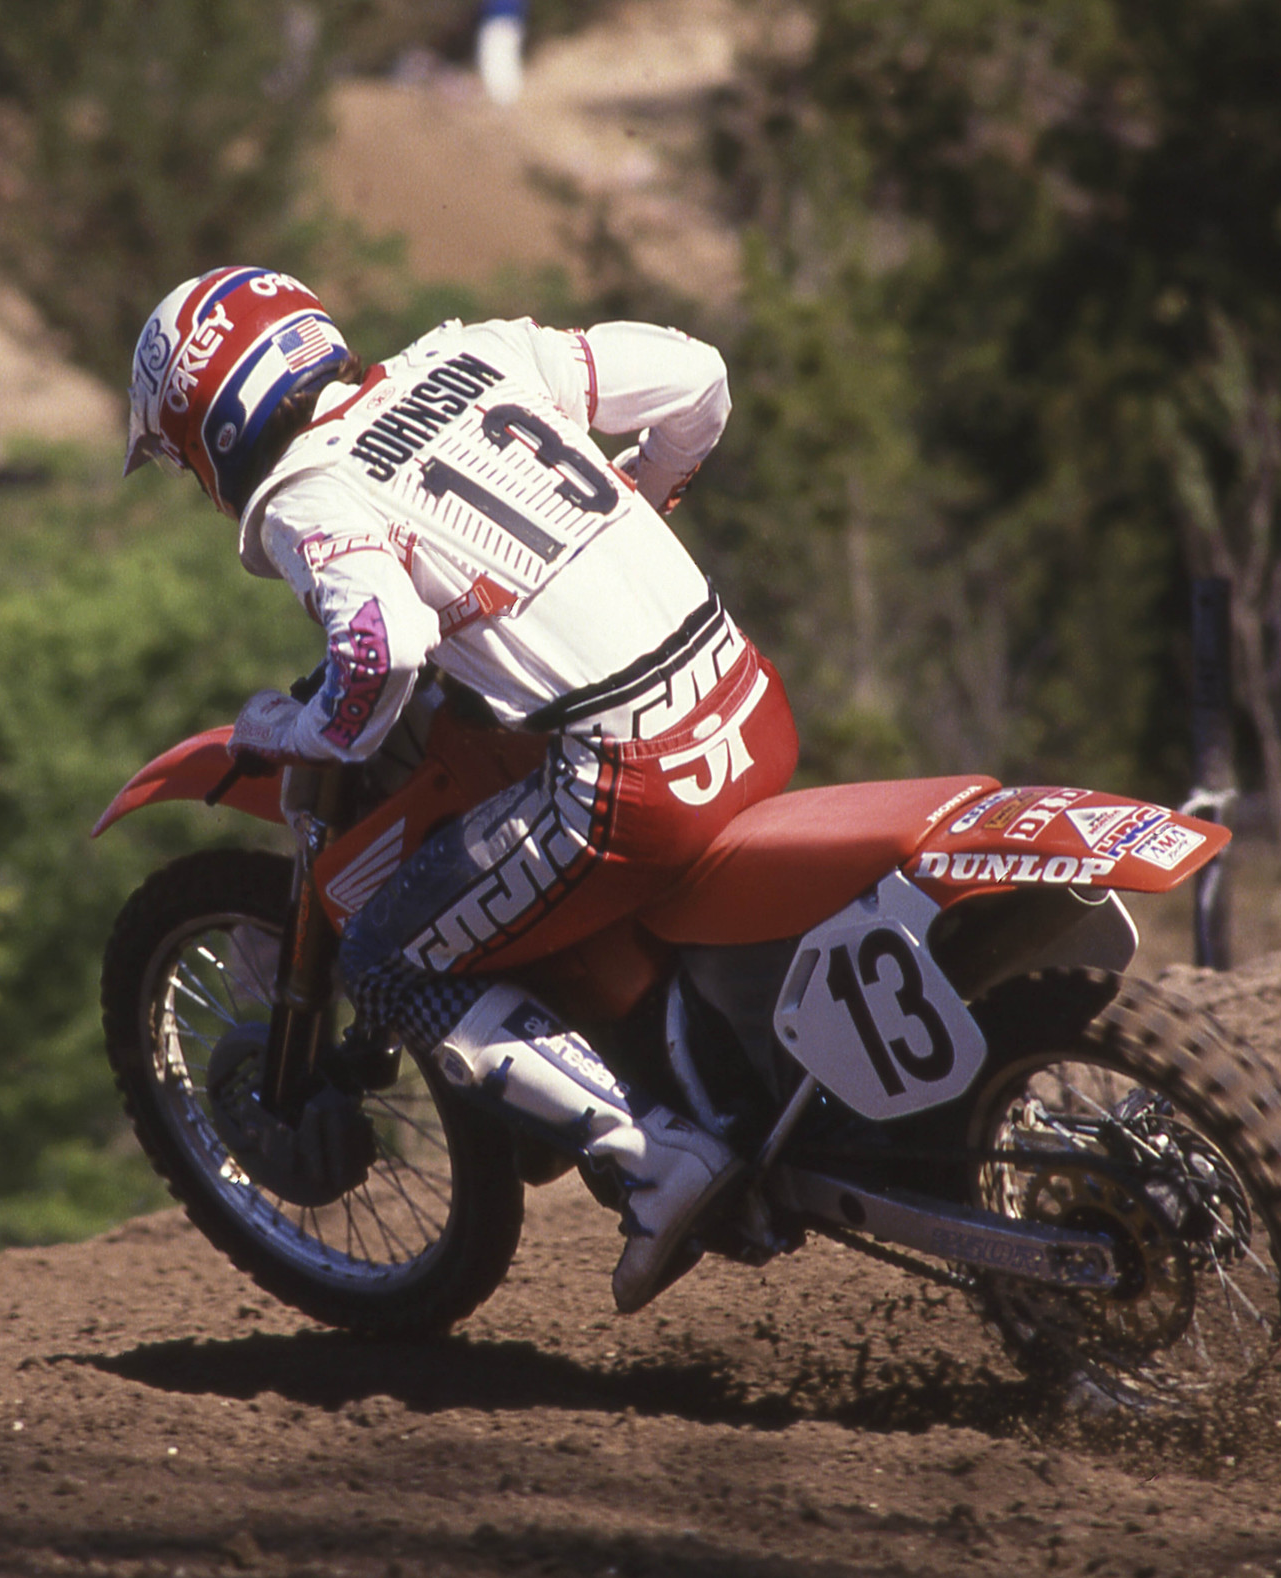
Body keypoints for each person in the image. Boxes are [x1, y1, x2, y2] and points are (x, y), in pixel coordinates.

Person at [123, 268, 799, 1313]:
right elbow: (694, 378)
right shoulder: (474, 354)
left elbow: (383, 655)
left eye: (179, 455)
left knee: (386, 956)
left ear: (214, 426)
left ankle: (660, 1161)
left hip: (632, 775)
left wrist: (294, 726)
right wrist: (646, 497)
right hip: (749, 701)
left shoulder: (310, 495)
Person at [475, 0, 529, 106]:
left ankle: (500, 96)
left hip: (496, 22)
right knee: (508, 59)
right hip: (512, 22)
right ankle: (507, 95)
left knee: (494, 59)